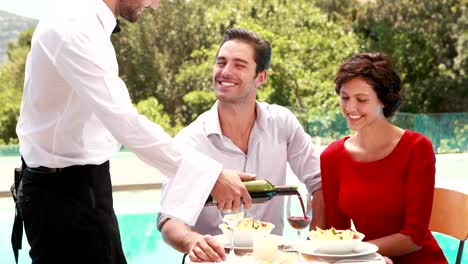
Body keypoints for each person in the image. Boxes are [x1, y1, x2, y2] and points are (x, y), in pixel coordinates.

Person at [13, 1, 254, 263]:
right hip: (64, 195)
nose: (156, 4)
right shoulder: (75, 27)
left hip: (83, 187)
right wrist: (211, 177)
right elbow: (124, 122)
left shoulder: (87, 25)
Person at [156, 28, 326, 263]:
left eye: (239, 65)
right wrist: (191, 241)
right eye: (221, 62)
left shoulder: (283, 123)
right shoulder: (190, 140)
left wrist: (312, 250)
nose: (225, 72)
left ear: (261, 77)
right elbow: (168, 219)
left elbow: (320, 183)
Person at [320, 52, 447, 263]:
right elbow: (338, 231)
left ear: (383, 102)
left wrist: (358, 253)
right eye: (345, 97)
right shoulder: (332, 156)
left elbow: (413, 237)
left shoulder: (417, 148)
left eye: (361, 99)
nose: (350, 108)